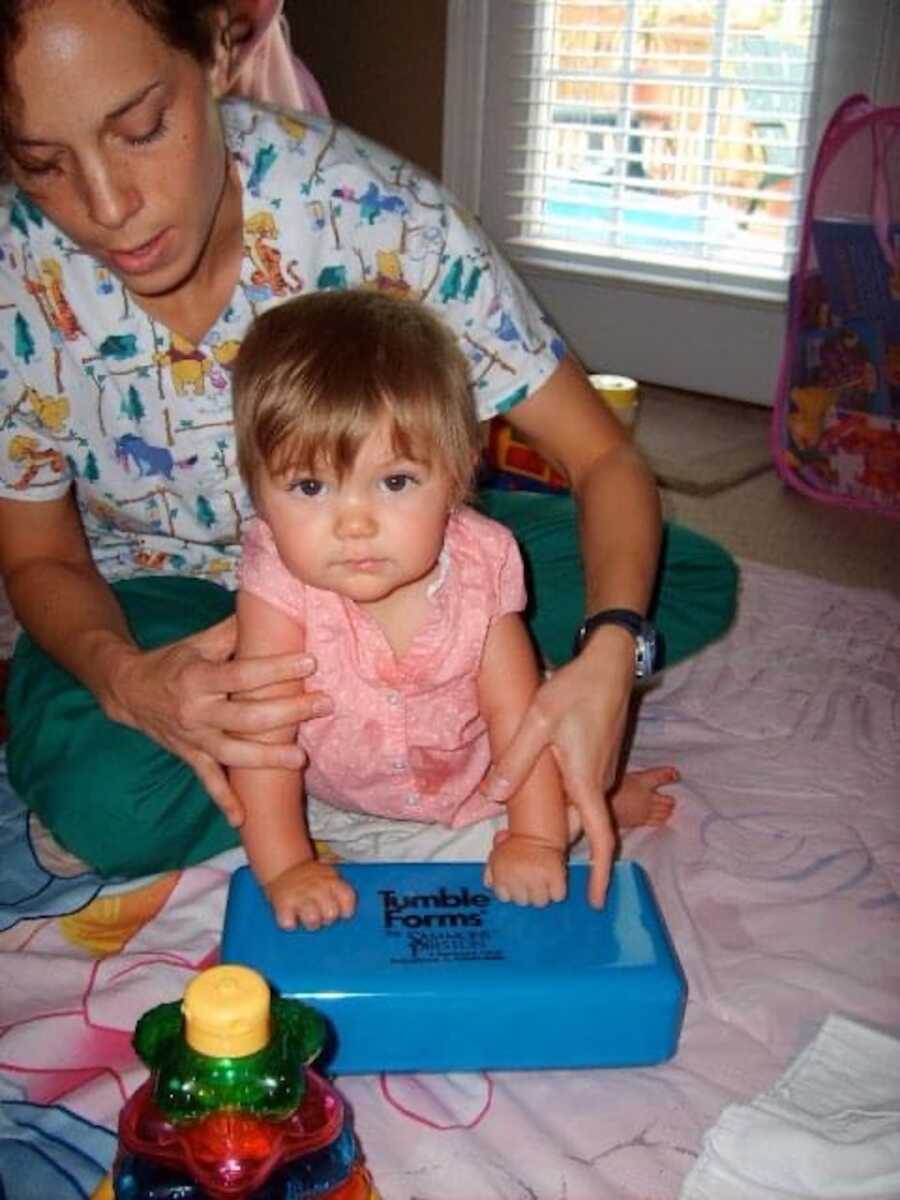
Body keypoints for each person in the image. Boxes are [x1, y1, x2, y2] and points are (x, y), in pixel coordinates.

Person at [0, 0, 735, 907]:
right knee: (108, 804)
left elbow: (604, 461)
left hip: (405, 541)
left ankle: (439, 698)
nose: (109, 208)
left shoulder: (377, 212)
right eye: (42, 164)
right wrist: (122, 675)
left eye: (144, 129)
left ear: (220, 53)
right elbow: (38, 559)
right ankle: (414, 730)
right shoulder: (14, 282)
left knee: (684, 581)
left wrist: (610, 654)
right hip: (168, 596)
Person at [231, 288, 569, 929]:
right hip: (339, 799)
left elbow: (520, 719)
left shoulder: (483, 563)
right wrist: (286, 867)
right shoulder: (276, 578)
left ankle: (600, 799)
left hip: (473, 786)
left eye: (395, 482)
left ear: (460, 473)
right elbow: (261, 740)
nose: (354, 523)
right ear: (257, 492)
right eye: (309, 486)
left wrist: (536, 837)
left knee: (562, 826)